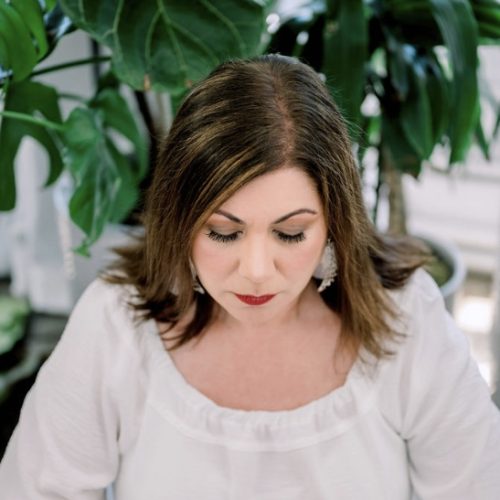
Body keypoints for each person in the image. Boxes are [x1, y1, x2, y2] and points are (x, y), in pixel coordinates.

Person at [0, 54, 499, 500]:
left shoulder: (407, 316)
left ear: (333, 224)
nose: (257, 272)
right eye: (222, 233)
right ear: (180, 218)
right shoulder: (116, 323)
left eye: (290, 233)